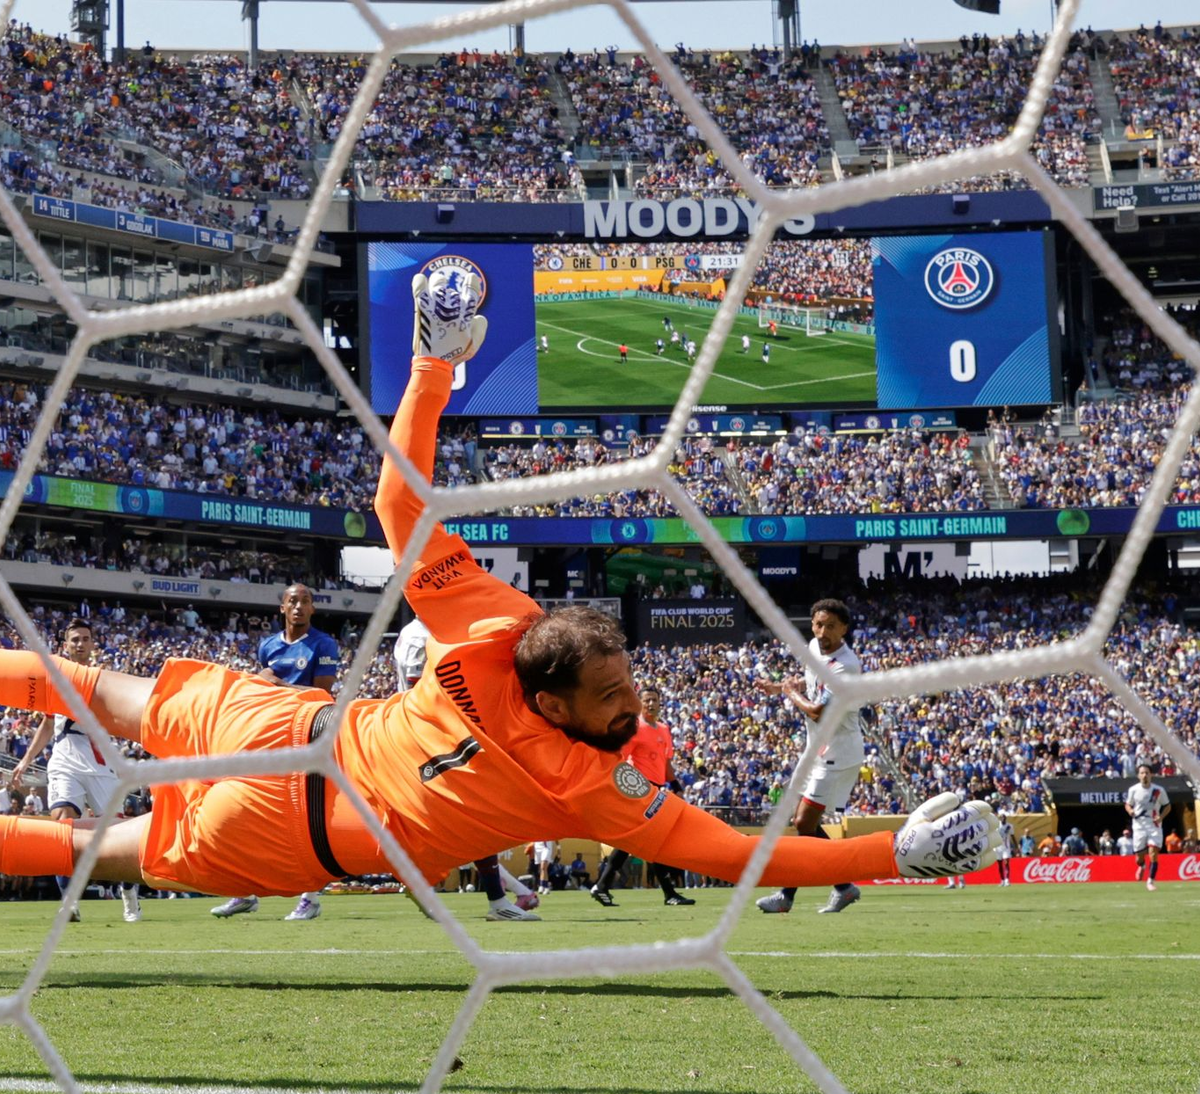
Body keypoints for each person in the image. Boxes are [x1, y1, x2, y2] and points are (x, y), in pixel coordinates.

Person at [0, 270, 998, 910]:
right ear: (559, 701)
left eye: (630, 690)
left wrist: (435, 363)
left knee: (88, 702)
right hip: (292, 823)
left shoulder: (498, 624)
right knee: (84, 837)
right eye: (617, 698)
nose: (635, 705)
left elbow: (398, 503)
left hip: (286, 735)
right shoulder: (595, 784)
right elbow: (744, 857)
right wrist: (890, 855)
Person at [395, 614, 539, 921]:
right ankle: (492, 900)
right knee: (471, 815)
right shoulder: (421, 634)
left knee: (466, 820)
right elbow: (418, 691)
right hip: (431, 735)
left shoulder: (431, 630)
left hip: (435, 733)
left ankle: (495, 898)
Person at [211, 583, 339, 922]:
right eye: (292, 601)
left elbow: (323, 696)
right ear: (282, 608)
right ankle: (244, 891)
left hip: (308, 737)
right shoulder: (268, 645)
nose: (299, 607)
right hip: (271, 736)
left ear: (313, 609)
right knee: (250, 812)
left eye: (305, 602)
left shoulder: (323, 644)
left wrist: (278, 685)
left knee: (304, 818)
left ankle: (309, 898)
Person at [12, 618, 140, 923]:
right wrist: (25, 761)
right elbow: (46, 722)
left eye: (85, 639)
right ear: (65, 645)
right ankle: (70, 902)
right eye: (75, 640)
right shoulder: (54, 679)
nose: (80, 644)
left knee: (118, 836)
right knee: (61, 827)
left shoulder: (105, 679)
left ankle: (129, 894)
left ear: (93, 644)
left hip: (100, 761)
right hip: (64, 759)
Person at [755, 599, 867, 916]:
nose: (821, 631)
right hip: (817, 747)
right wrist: (780, 688)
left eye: (830, 626)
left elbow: (817, 711)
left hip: (838, 749)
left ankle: (798, 894)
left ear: (844, 629)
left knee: (804, 822)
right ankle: (841, 886)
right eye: (818, 624)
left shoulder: (848, 665)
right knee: (802, 822)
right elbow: (811, 680)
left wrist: (790, 694)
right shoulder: (815, 649)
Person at [590, 685, 694, 907]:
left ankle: (602, 885)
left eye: (654, 700)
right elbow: (620, 757)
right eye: (646, 700)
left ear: (660, 702)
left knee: (638, 841)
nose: (650, 704)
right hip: (640, 790)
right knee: (653, 839)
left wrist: (675, 783)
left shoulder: (664, 729)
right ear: (639, 702)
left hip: (657, 789)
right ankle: (668, 894)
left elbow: (665, 762)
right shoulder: (635, 727)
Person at [1125, 763, 1171, 892]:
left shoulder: (1159, 790)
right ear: (1138, 775)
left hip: (1154, 826)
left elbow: (1167, 806)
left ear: (1151, 775)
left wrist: (1161, 817)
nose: (1144, 775)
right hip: (1139, 826)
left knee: (1153, 853)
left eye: (1147, 772)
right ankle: (1142, 866)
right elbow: (1128, 804)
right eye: (1142, 773)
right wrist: (1130, 811)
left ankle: (1150, 880)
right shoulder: (1133, 789)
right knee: (1139, 857)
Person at [995, 811, 1015, 886]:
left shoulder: (1009, 826)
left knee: (1006, 863)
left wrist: (1016, 846)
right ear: (1000, 818)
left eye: (1004, 817)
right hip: (997, 848)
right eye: (1002, 817)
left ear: (1006, 818)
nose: (1003, 818)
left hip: (1006, 847)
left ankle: (1007, 880)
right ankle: (1002, 880)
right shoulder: (996, 826)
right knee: (999, 864)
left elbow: (1013, 836)